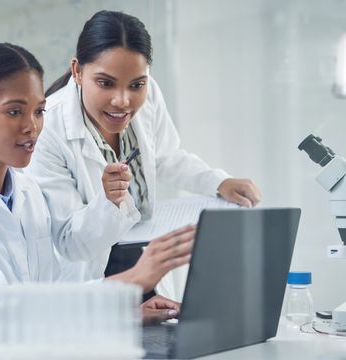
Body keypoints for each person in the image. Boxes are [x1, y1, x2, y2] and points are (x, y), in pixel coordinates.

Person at [0, 41, 196, 345]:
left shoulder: (28, 193)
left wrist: (121, 313)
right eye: (14, 112)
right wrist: (130, 280)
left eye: (39, 111)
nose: (32, 126)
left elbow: (51, 297)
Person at [25, 10, 262, 298]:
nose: (123, 100)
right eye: (105, 83)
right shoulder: (48, 128)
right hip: (92, 278)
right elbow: (70, 243)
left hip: (144, 261)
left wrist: (217, 182)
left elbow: (164, 156)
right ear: (77, 71)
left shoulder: (149, 94)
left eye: (136, 84)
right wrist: (109, 201)